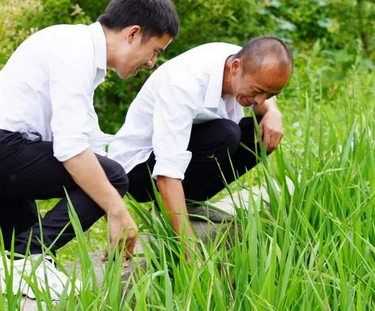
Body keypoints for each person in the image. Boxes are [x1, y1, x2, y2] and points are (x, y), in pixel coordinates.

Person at [0, 0, 178, 299]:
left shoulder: (79, 54)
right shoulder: (74, 49)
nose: (151, 63)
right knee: (109, 177)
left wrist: (121, 209)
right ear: (133, 34)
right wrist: (117, 211)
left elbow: (91, 145)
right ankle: (22, 260)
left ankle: (24, 264)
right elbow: (72, 151)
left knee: (33, 262)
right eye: (156, 51)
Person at [107, 36, 292, 261]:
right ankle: (167, 209)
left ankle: (190, 202)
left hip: (181, 150)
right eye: (257, 91)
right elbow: (167, 171)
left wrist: (273, 111)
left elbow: (263, 92)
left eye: (269, 94)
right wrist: (189, 248)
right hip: (138, 170)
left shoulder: (244, 59)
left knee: (262, 133)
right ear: (235, 67)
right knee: (227, 133)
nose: (260, 100)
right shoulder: (184, 84)